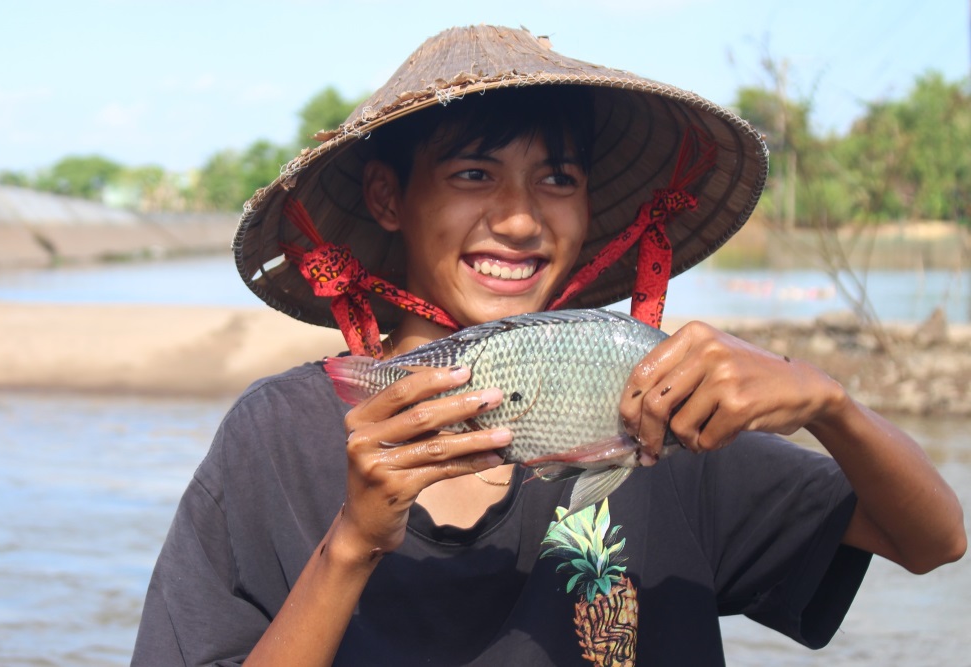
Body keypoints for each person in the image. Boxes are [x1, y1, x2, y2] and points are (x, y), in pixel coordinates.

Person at [131, 25, 965, 666]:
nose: (522, 218)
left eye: (557, 180)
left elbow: (931, 541)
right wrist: (351, 540)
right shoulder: (276, 441)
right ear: (387, 196)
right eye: (473, 174)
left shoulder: (661, 404)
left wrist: (828, 402)